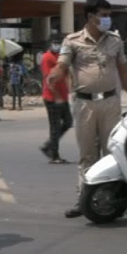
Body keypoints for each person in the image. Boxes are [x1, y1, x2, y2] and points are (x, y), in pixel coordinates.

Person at [47, 0, 127, 218]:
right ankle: (83, 199)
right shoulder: (73, 41)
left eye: (108, 15)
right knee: (87, 154)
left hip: (110, 102)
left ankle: (110, 199)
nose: (107, 19)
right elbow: (62, 64)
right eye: (103, 15)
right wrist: (56, 74)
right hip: (84, 103)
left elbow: (124, 71)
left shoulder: (115, 40)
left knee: (111, 153)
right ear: (90, 17)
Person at [40, 34, 73, 164]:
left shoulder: (61, 57)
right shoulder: (47, 57)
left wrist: (69, 90)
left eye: (59, 42)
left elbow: (67, 73)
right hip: (52, 97)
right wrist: (58, 97)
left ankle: (48, 145)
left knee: (68, 122)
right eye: (55, 42)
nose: (57, 45)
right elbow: (49, 80)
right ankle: (54, 155)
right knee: (55, 126)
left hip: (62, 97)